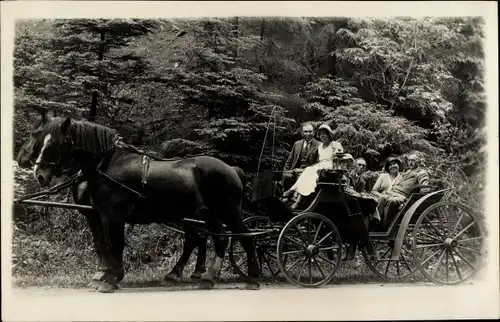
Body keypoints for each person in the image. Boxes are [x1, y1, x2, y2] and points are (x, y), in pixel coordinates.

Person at [282, 123, 343, 209]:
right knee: (308, 170)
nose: (322, 136)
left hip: (330, 167)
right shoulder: (320, 146)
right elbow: (319, 161)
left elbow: (340, 158)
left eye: (324, 134)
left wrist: (335, 154)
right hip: (320, 166)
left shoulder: (335, 144)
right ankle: (296, 199)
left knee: (309, 171)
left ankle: (293, 194)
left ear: (329, 134)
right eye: (321, 134)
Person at [377, 152, 430, 228]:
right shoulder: (407, 172)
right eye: (409, 160)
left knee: (391, 201)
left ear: (418, 161)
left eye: (413, 160)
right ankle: (376, 222)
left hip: (404, 196)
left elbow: (425, 189)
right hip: (392, 193)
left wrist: (411, 201)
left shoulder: (421, 173)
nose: (410, 163)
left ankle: (384, 227)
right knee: (381, 198)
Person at [282, 123, 320, 191]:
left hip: (309, 173)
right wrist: (286, 171)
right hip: (295, 170)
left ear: (313, 132)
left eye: (310, 131)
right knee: (286, 176)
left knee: (301, 176)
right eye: (305, 131)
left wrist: (303, 170)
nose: (308, 133)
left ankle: (295, 197)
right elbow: (289, 161)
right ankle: (287, 197)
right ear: (302, 133)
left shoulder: (319, 145)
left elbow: (318, 164)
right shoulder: (297, 144)